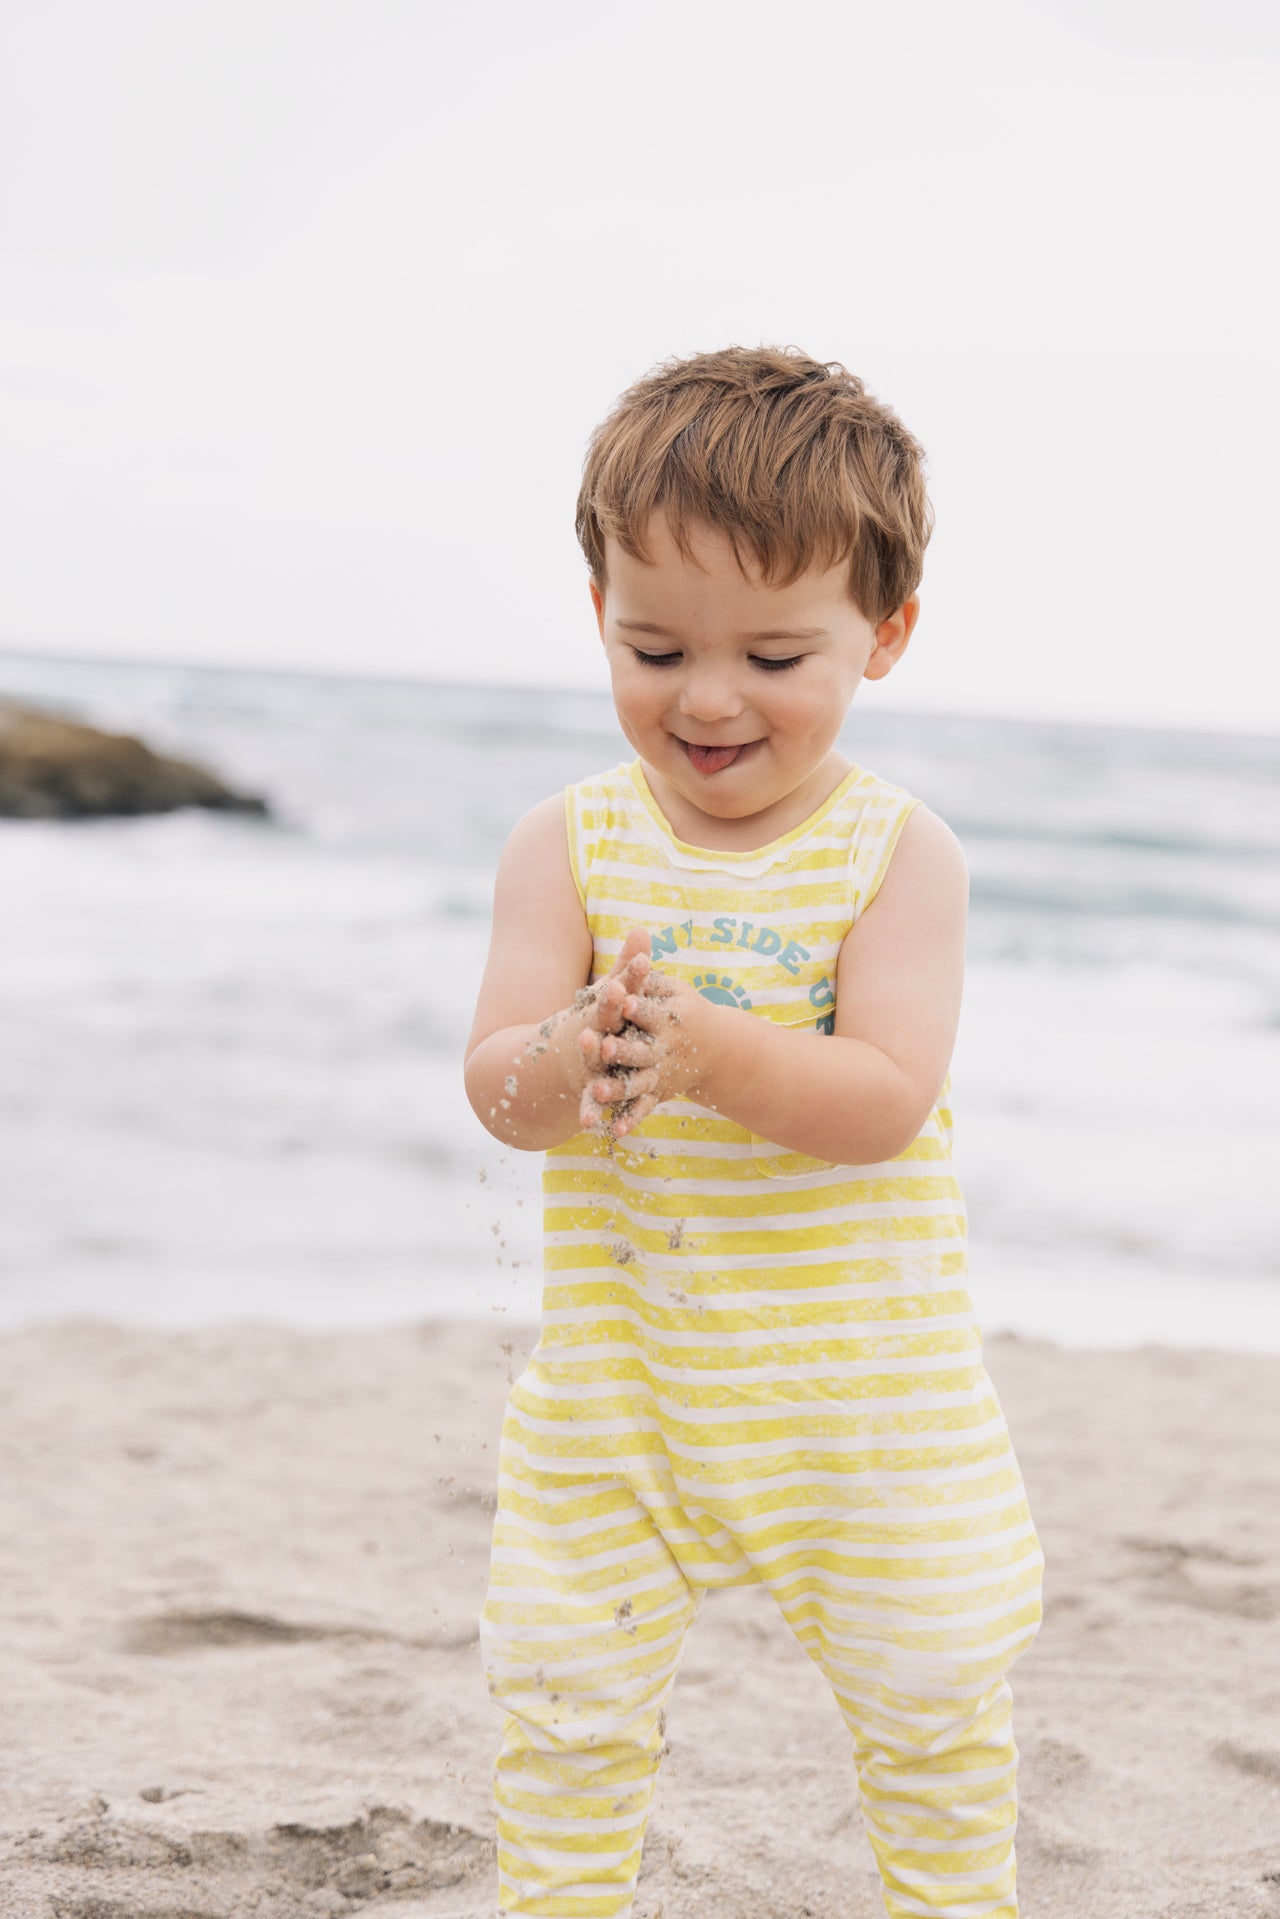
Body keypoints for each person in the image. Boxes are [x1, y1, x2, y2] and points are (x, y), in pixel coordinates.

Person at [464, 345, 1043, 1919]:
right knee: (562, 1695)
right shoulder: (565, 846)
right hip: (623, 1391)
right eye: (655, 646)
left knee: (933, 1696)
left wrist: (711, 1052)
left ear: (886, 635)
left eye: (777, 660)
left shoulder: (898, 855)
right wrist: (564, 1050)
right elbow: (502, 1095)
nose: (708, 699)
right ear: (600, 614)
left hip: (862, 1399)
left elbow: (883, 1101)